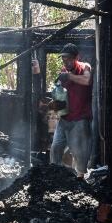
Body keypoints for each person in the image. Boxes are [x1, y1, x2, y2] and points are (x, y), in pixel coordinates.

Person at [33, 43, 92, 178]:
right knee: (55, 148)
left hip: (80, 119)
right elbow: (62, 96)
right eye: (64, 60)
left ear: (77, 57)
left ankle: (80, 180)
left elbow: (87, 80)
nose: (66, 62)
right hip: (64, 118)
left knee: (79, 153)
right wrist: (53, 104)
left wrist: (70, 77)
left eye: (69, 59)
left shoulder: (85, 67)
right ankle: (55, 177)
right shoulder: (63, 71)